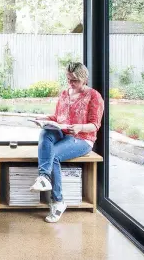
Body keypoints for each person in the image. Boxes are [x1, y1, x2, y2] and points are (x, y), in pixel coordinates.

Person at [29, 62, 104, 223]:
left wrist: (80, 127)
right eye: (68, 79)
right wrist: (43, 119)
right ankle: (44, 178)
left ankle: (57, 201)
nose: (70, 83)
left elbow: (95, 125)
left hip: (82, 139)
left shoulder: (94, 96)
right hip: (62, 133)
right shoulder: (64, 94)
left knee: (53, 155)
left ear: (84, 79)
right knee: (46, 132)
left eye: (74, 80)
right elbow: (58, 118)